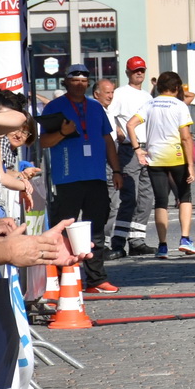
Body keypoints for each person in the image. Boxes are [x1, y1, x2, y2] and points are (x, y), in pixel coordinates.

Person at [38, 63, 120, 288]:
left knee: (97, 230)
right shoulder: (54, 107)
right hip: (67, 178)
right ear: (66, 82)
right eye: (75, 79)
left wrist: (117, 170)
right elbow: (43, 142)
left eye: (84, 80)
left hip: (96, 177)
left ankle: (97, 278)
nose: (80, 83)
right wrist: (63, 133)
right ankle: (61, 277)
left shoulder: (95, 107)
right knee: (62, 229)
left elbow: (107, 140)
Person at [127, 70, 195, 258]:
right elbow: (186, 137)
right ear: (176, 88)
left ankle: (162, 245)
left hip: (155, 158)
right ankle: (185, 239)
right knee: (185, 197)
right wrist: (191, 164)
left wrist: (137, 149)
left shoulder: (149, 103)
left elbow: (130, 124)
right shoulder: (180, 106)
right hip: (177, 157)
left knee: (161, 201)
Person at [106, 56, 153, 257]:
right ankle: (118, 242)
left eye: (141, 70)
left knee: (146, 198)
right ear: (128, 73)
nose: (139, 73)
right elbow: (108, 114)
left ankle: (137, 240)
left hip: (148, 149)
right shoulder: (120, 94)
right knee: (129, 198)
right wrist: (116, 128)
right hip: (128, 150)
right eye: (135, 70)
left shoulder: (148, 97)